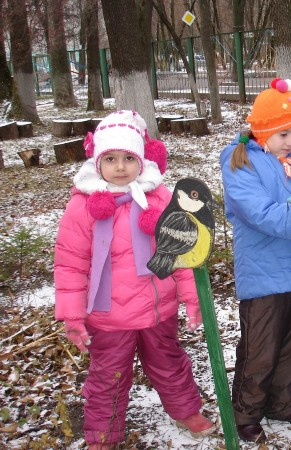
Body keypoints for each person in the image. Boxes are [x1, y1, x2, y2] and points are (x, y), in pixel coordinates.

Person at [54, 110, 216, 450]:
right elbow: (70, 264)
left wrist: (190, 297)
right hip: (109, 315)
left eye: (129, 158)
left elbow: (180, 254)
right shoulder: (83, 206)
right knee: (108, 377)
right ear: (97, 161)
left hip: (158, 308)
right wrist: (71, 314)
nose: (120, 167)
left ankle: (186, 410)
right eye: (110, 158)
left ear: (142, 159)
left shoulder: (158, 198)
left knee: (169, 362)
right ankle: (103, 435)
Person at [220, 79, 291, 443]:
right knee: (260, 348)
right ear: (263, 130)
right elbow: (259, 213)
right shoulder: (240, 162)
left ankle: (281, 402)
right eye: (285, 135)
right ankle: (247, 411)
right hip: (263, 271)